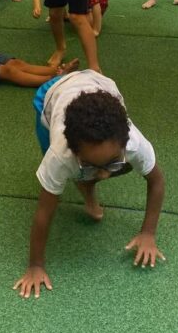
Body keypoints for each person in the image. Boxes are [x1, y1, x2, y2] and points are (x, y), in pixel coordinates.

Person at [13, 69, 166, 298]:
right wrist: (35, 265)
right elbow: (44, 212)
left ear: (125, 143)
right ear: (73, 152)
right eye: (91, 164)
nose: (104, 176)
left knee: (97, 169)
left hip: (98, 82)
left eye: (112, 162)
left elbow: (157, 182)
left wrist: (148, 233)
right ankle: (85, 184)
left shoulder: (133, 143)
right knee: (62, 176)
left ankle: (86, 183)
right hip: (52, 94)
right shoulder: (60, 155)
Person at [33, 0, 108, 37]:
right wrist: (37, 7)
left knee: (77, 23)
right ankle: (64, 15)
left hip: (98, 5)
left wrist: (96, 30)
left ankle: (76, 16)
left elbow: (96, 5)